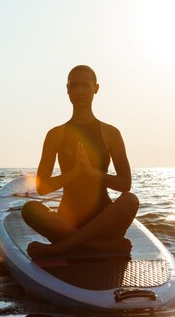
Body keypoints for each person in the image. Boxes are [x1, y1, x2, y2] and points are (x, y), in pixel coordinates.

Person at [21, 65, 139, 259]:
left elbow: (125, 184)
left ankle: (61, 248)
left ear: (96, 88)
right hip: (67, 224)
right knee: (30, 209)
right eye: (74, 86)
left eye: (85, 85)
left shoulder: (110, 133)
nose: (79, 91)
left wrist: (93, 173)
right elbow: (42, 188)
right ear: (67, 89)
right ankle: (98, 246)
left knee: (131, 200)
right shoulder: (55, 135)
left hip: (104, 223)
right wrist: (74, 173)